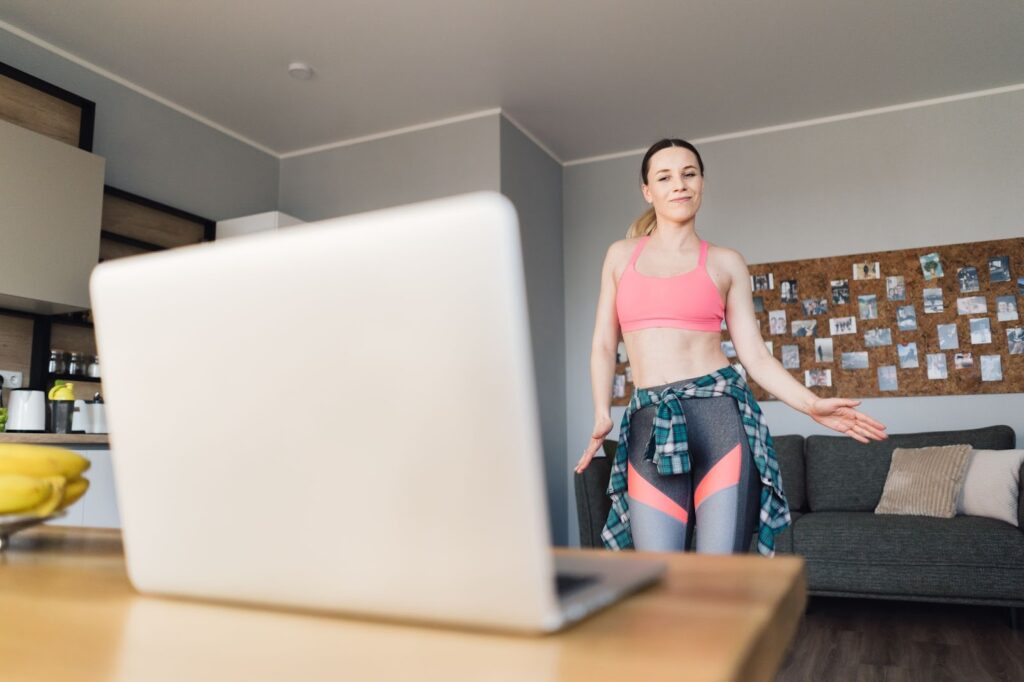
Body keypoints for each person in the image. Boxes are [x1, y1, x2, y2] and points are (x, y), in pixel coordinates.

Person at [574, 138, 887, 556]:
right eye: (664, 177)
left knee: (719, 578)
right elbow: (601, 343)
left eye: (689, 174)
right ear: (648, 191)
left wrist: (810, 404)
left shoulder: (726, 262)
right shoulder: (620, 257)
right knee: (659, 574)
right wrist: (600, 413)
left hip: (719, 417)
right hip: (651, 419)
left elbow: (754, 356)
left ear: (702, 183)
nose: (679, 185)